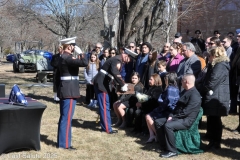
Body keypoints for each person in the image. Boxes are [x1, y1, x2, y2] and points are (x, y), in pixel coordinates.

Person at [155, 74, 201, 158]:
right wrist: (171, 115)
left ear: (186, 82)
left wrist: (173, 118)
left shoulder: (195, 95)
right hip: (178, 116)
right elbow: (177, 106)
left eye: (182, 80)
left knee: (168, 126)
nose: (180, 82)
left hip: (186, 120)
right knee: (158, 122)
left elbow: (186, 112)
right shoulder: (185, 91)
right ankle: (164, 146)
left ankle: (172, 151)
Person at [56, 37, 88, 149]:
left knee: (65, 117)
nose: (74, 48)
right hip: (69, 90)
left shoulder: (63, 57)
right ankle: (64, 144)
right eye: (73, 46)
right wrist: (82, 53)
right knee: (67, 117)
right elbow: (84, 62)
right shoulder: (67, 57)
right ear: (69, 46)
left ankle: (62, 142)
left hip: (66, 89)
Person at [93, 49, 130, 134]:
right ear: (125, 56)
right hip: (102, 83)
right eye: (128, 60)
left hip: (103, 82)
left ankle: (106, 126)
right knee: (105, 107)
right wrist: (122, 84)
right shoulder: (117, 59)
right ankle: (106, 128)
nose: (127, 62)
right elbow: (114, 71)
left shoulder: (117, 59)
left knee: (105, 106)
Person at [202, 46, 230, 149]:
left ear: (214, 55)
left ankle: (216, 142)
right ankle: (211, 139)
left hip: (217, 95)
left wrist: (203, 88)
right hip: (214, 94)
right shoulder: (215, 65)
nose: (208, 57)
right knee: (212, 118)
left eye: (209, 55)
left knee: (215, 120)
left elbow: (212, 81)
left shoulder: (220, 66)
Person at [145, 72, 179, 143]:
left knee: (148, 116)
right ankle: (152, 136)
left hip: (168, 111)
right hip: (165, 109)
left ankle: (158, 136)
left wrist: (157, 110)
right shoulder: (172, 88)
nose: (164, 80)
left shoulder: (171, 89)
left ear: (169, 79)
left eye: (165, 78)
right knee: (148, 115)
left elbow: (168, 104)